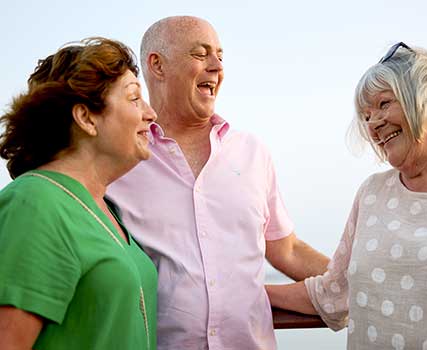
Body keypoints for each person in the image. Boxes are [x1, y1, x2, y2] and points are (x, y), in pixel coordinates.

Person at [106, 16, 329, 350]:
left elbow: (288, 250)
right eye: (201, 54)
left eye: (220, 57)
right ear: (157, 65)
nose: (216, 67)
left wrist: (365, 279)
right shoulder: (119, 160)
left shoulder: (252, 151)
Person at [266, 42, 427, 349]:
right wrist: (246, 292)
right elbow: (334, 293)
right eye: (366, 115)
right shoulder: (372, 193)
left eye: (384, 104)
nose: (373, 123)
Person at [0, 37, 158, 350]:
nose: (150, 114)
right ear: (86, 118)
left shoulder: (105, 210)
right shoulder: (36, 203)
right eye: (134, 99)